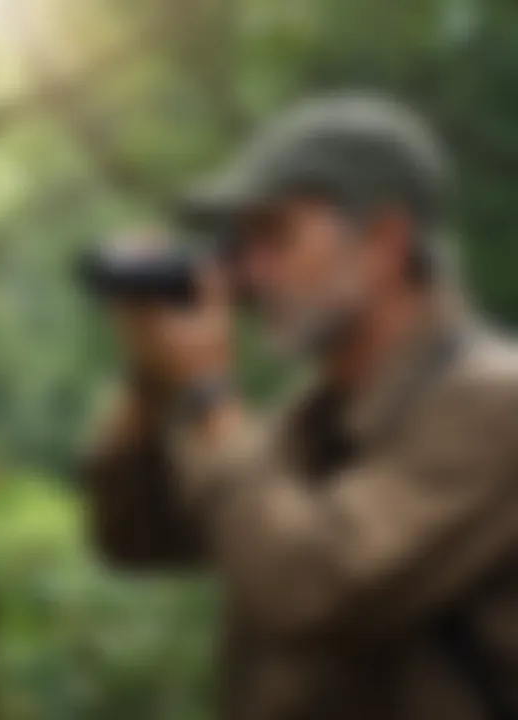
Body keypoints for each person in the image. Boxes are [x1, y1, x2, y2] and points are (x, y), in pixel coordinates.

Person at [81, 92, 518, 719]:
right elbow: (134, 533)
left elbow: (311, 584)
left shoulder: (496, 405)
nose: (249, 271)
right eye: (240, 241)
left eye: (274, 234)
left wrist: (208, 390)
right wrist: (150, 380)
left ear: (384, 243)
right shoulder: (310, 420)